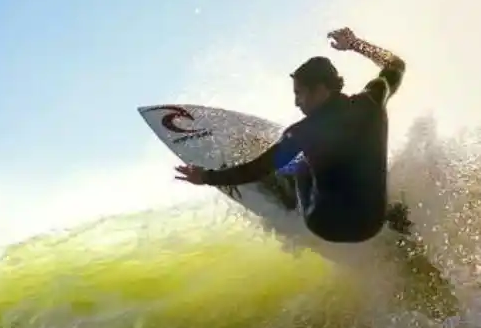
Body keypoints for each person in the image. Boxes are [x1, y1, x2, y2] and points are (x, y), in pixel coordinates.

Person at [174, 27, 410, 243]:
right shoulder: (373, 99)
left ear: (320, 89)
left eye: (300, 93)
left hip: (327, 225)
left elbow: (255, 169)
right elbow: (396, 65)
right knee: (362, 162)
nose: (296, 102)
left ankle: (288, 193)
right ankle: (393, 214)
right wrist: (355, 44)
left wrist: (205, 176)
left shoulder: (303, 132)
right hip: (372, 223)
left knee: (300, 166)